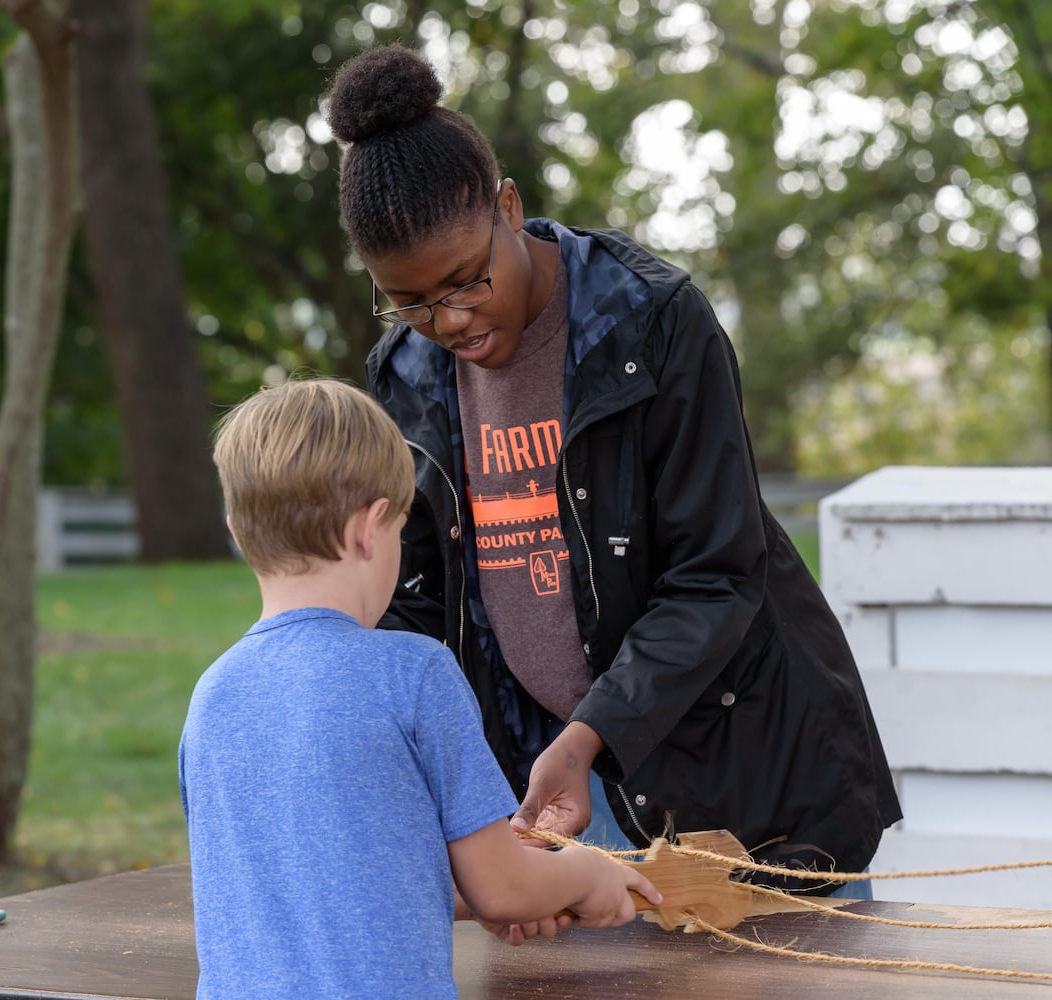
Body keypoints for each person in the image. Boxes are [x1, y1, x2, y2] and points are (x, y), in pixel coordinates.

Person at [323, 44, 902, 895]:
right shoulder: (401, 374)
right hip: (546, 791)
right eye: (408, 301)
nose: (448, 320)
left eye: (465, 281)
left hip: (732, 780)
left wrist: (591, 733)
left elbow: (716, 577)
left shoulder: (655, 323)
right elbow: (414, 600)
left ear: (508, 207)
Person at [179, 377, 661, 999]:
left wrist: (483, 892)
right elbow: (504, 888)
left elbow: (320, 879)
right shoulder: (415, 673)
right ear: (370, 528)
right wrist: (582, 876)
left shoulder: (212, 696)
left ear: (236, 530)